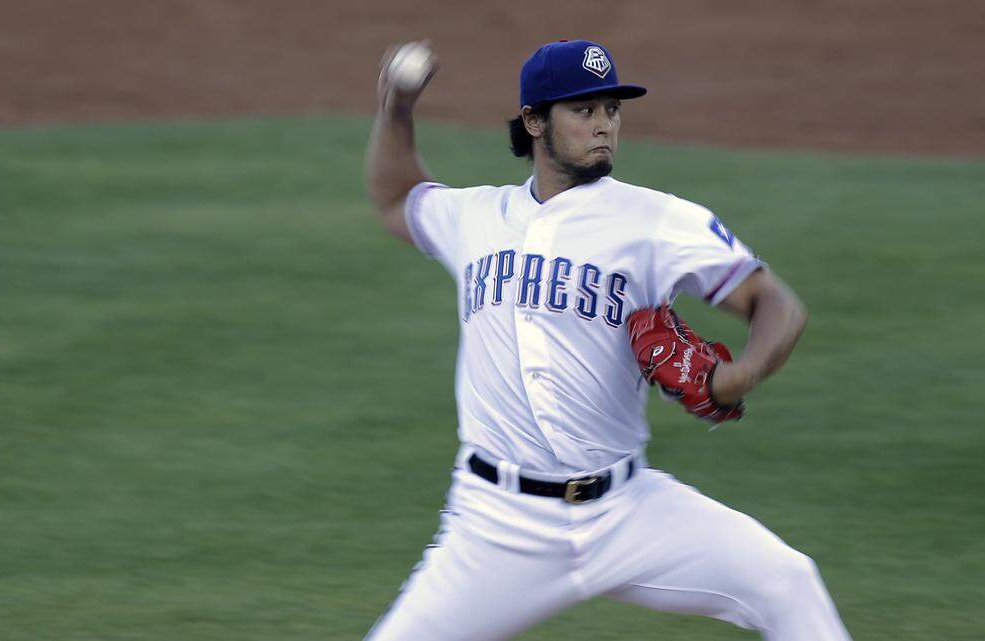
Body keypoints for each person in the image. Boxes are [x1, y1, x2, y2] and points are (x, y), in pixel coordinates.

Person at [363, 39, 853, 641]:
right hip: (497, 526)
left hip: (627, 512)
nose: (604, 126)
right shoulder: (476, 218)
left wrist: (736, 376)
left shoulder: (657, 220)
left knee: (787, 581)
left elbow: (775, 303)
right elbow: (396, 198)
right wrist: (397, 109)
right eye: (584, 110)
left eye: (611, 110)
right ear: (535, 120)